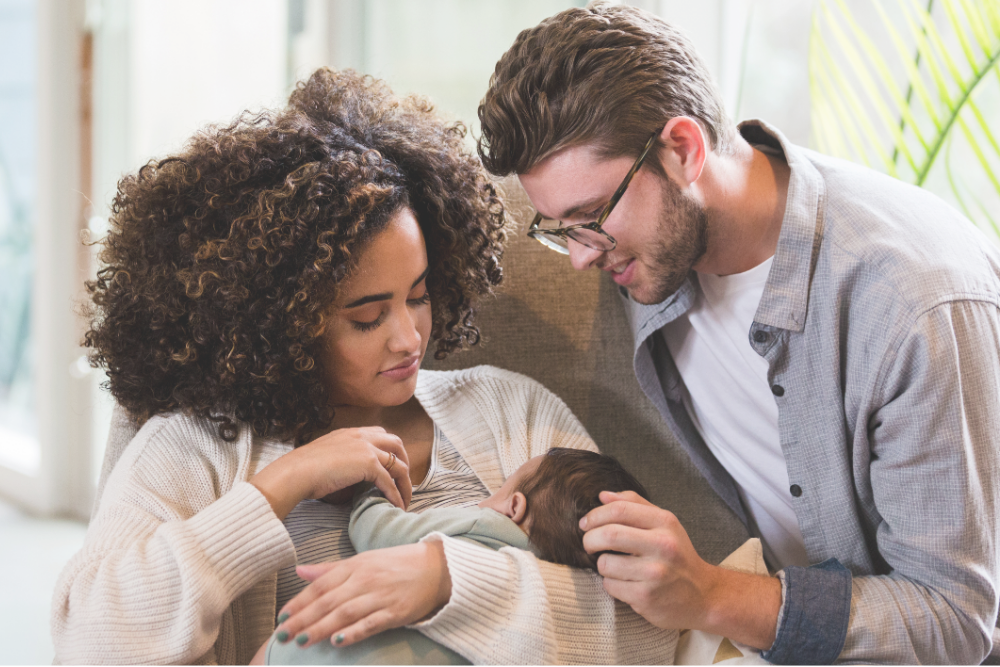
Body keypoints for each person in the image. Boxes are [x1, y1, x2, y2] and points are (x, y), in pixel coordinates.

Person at [52, 67, 676, 666]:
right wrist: (279, 487)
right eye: (368, 318)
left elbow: (652, 626)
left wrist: (447, 582)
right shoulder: (199, 445)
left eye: (419, 296)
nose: (409, 339)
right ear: (281, 324)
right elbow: (89, 642)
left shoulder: (511, 412)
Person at [472, 2, 1000, 665]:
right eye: (559, 229)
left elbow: (955, 618)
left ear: (684, 149)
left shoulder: (910, 302)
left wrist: (710, 593)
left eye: (592, 216)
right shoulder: (655, 254)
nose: (579, 257)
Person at [262, 449, 653, 665]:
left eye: (502, 487)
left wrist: (371, 489)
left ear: (514, 506)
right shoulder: (558, 589)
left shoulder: (482, 524)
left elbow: (380, 535)